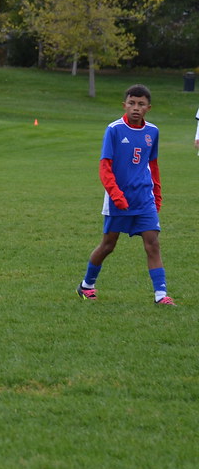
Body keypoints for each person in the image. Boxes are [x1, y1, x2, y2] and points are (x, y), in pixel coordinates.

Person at [76, 84, 174, 305]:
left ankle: (161, 295)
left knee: (153, 243)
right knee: (108, 245)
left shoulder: (153, 132)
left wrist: (157, 194)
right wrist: (116, 195)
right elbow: (105, 167)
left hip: (144, 199)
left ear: (148, 107)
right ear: (125, 105)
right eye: (132, 103)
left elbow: (153, 165)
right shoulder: (114, 129)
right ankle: (86, 286)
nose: (136, 108)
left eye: (141, 104)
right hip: (117, 200)